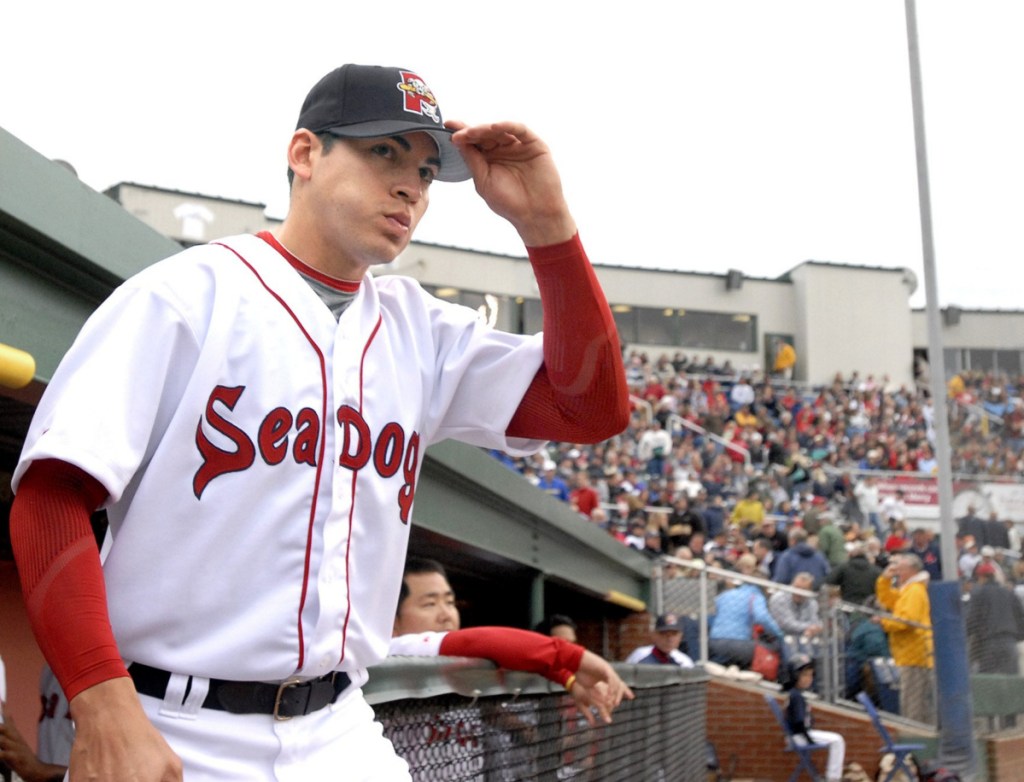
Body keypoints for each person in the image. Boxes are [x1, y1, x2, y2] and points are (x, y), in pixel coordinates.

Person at [8, 63, 629, 782]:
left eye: (428, 172)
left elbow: (592, 409)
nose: (411, 187)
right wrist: (102, 706)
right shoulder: (183, 298)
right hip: (172, 720)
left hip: (337, 727)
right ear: (305, 154)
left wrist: (546, 225)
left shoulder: (421, 332)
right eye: (385, 153)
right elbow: (51, 498)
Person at [389, 560, 630, 721]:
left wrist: (570, 680)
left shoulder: (454, 656)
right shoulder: (394, 650)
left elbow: (513, 656)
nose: (446, 614)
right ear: (391, 619)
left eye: (450, 602)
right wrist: (577, 659)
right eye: (430, 604)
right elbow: (487, 641)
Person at [875, 553, 935, 724]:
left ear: (911, 570)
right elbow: (888, 600)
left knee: (913, 704)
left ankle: (915, 737)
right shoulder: (907, 590)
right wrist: (884, 580)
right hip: (909, 653)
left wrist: (884, 622)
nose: (897, 572)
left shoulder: (915, 591)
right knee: (911, 700)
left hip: (915, 655)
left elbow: (906, 621)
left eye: (900, 569)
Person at [783, 654, 845, 782]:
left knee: (836, 739)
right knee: (837, 740)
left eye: (811, 675)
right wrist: (809, 740)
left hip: (798, 735)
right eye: (804, 675)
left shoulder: (795, 693)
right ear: (794, 676)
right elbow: (798, 722)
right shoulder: (796, 696)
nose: (809, 679)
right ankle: (833, 778)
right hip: (799, 737)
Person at [966, 562, 1024, 674]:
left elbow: (972, 619)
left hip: (989, 643)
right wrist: (1018, 637)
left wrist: (966, 634)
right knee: (1010, 682)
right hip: (1009, 642)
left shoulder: (979, 593)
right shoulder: (1009, 593)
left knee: (988, 684)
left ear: (982, 578)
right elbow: (1020, 617)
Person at [624, 613, 695, 667]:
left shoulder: (684, 661)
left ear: (680, 636)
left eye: (674, 634)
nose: (669, 639)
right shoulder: (640, 655)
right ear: (654, 635)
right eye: (664, 633)